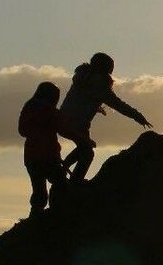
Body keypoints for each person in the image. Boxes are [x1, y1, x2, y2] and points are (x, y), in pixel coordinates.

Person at [59, 52, 152, 182]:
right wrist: (137, 116)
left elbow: (81, 100)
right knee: (87, 153)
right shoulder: (98, 83)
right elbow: (117, 104)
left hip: (62, 120)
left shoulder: (82, 77)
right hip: (77, 125)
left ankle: (65, 169)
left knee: (84, 149)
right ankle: (75, 181)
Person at [18, 82, 68, 216]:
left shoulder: (29, 107)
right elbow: (63, 128)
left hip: (31, 156)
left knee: (39, 190)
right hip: (48, 155)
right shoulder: (50, 111)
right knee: (60, 184)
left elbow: (22, 130)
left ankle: (35, 218)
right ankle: (56, 213)